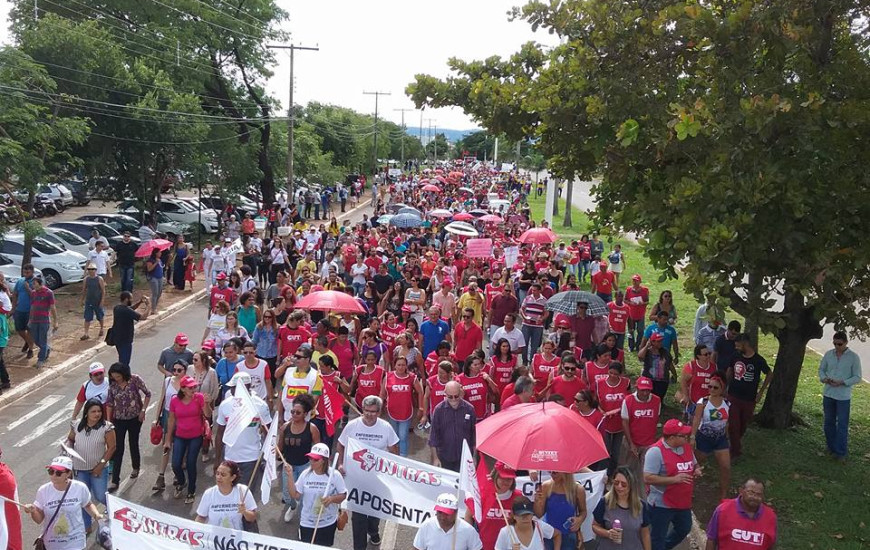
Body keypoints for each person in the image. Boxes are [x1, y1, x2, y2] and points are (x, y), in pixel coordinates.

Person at [336, 396, 398, 550]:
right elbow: (341, 445)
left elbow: (394, 450)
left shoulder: (386, 428)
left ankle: (373, 530)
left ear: (379, 412)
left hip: (377, 479)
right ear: (362, 410)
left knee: (374, 512)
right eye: (366, 411)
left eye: (373, 412)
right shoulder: (351, 426)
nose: (369, 415)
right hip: (356, 480)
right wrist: (341, 464)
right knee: (358, 516)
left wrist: (393, 469)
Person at [23, 456, 105, 550]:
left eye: (58, 473)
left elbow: (88, 504)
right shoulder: (43, 491)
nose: (53, 475)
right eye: (51, 471)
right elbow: (39, 520)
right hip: (52, 544)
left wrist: (96, 514)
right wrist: (33, 511)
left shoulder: (80, 488)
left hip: (75, 542)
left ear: (68, 473)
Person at [643, 419, 702, 550]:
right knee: (657, 536)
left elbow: (694, 463)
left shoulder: (686, 447)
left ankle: (664, 547)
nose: (686, 438)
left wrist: (696, 469)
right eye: (683, 435)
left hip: (682, 502)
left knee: (684, 528)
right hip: (661, 504)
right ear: (672, 437)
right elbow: (647, 478)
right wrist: (674, 479)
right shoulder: (655, 452)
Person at [213, 372, 272, 490]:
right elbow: (219, 434)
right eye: (231, 387)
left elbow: (269, 433)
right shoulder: (225, 405)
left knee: (246, 494)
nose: (232, 390)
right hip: (230, 458)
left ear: (247, 386)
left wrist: (267, 458)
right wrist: (217, 459)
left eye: (235, 387)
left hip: (252, 458)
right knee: (228, 492)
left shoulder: (260, 405)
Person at [65, 398, 115, 534]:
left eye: (99, 411)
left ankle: (116, 514)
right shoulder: (76, 426)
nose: (97, 414)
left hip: (98, 469)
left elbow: (111, 448)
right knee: (83, 499)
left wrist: (101, 465)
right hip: (80, 470)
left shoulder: (107, 427)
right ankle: (87, 526)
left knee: (100, 496)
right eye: (93, 411)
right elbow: (70, 439)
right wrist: (67, 448)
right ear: (86, 412)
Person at [284, 443, 348, 546]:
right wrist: (290, 476)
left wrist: (331, 499)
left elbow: (343, 495)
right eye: (310, 458)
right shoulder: (305, 474)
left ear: (324, 460)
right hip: (307, 523)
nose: (312, 461)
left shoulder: (335, 475)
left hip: (327, 522)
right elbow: (295, 495)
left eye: (315, 459)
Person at [105, 362, 151, 490]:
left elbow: (148, 394)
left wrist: (143, 411)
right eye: (114, 376)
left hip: (135, 418)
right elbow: (109, 403)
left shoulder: (135, 380)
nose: (116, 379)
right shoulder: (112, 385)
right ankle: (115, 480)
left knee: (133, 442)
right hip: (119, 420)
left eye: (118, 376)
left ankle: (136, 467)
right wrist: (109, 421)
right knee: (118, 448)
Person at [818, 331, 863, 462]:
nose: (837, 346)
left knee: (842, 424)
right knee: (828, 422)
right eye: (835, 344)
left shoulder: (853, 357)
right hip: (828, 393)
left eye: (840, 344)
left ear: (846, 343)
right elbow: (821, 369)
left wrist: (843, 382)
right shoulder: (828, 354)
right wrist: (824, 378)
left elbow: (857, 377)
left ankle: (841, 452)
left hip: (843, 396)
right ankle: (831, 447)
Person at [166, 375, 211, 504]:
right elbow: (171, 420)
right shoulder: (175, 400)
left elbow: (207, 414)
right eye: (190, 387)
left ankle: (191, 491)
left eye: (194, 387)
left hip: (195, 436)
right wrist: (168, 439)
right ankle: (181, 482)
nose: (194, 389)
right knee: (175, 464)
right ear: (183, 389)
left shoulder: (199, 398)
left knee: (191, 463)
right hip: (180, 435)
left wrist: (207, 403)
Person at [725, 334, 770, 460]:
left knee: (743, 425)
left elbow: (769, 373)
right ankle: (735, 452)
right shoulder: (735, 356)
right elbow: (729, 371)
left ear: (745, 343)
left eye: (738, 345)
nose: (736, 347)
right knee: (734, 425)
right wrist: (724, 387)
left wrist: (761, 392)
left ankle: (735, 445)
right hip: (733, 395)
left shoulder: (758, 360)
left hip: (749, 399)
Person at [279, 393, 321, 522]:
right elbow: (279, 447)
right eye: (292, 411)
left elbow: (318, 448)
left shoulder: (312, 429)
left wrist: (318, 466)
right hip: (288, 466)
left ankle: (304, 519)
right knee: (287, 495)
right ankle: (292, 507)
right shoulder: (285, 427)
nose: (294, 414)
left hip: (305, 466)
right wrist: (272, 452)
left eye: (298, 412)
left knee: (304, 496)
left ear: (305, 414)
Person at [690, 373, 731, 501]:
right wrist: (692, 436)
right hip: (704, 437)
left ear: (722, 389)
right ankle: (689, 488)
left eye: (715, 388)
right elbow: (696, 419)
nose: (712, 389)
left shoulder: (727, 403)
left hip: (720, 439)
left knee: (725, 467)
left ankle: (723, 495)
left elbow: (727, 422)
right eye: (710, 387)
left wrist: (727, 436)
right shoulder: (703, 402)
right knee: (697, 464)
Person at [705, 479, 777, 550]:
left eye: (759, 494)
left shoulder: (770, 517)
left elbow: (771, 545)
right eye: (751, 493)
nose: (755, 497)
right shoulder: (723, 510)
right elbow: (711, 539)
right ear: (741, 491)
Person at [592, 466, 652, 550]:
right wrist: (608, 533)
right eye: (616, 483)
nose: (619, 486)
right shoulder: (605, 502)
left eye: (624, 484)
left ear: (631, 485)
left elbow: (645, 534)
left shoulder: (641, 505)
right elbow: (595, 526)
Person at [467, 461, 522, 550]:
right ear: (495, 476)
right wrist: (469, 539)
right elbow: (468, 516)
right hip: (482, 546)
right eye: (502, 477)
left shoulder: (519, 497)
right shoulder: (481, 494)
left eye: (509, 478)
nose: (505, 481)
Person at [428, 380, 476, 471]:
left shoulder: (469, 409)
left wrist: (474, 457)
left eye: (456, 396)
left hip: (465, 456)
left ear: (461, 392)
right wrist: (435, 458)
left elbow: (474, 435)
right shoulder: (439, 410)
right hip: (445, 456)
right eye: (450, 396)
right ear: (445, 394)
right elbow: (433, 436)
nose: (453, 399)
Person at [195, 460, 258, 529]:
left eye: (223, 475)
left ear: (233, 477)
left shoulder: (243, 490)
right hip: (213, 538)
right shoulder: (209, 493)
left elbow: (253, 517)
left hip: (236, 538)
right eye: (217, 473)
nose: (219, 477)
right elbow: (201, 517)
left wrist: (245, 512)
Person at [533, 471, 587, 550]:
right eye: (550, 472)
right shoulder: (546, 486)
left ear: (565, 472)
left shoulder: (578, 489)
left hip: (568, 534)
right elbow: (539, 514)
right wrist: (537, 502)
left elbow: (583, 511)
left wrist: (579, 520)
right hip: (549, 533)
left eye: (555, 472)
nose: (552, 475)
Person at [382, 356, 424, 457]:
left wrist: (421, 408)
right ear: (394, 366)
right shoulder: (388, 377)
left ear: (406, 366)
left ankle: (403, 457)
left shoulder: (412, 377)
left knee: (403, 436)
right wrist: (379, 408)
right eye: (399, 365)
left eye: (403, 365)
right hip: (391, 411)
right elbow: (382, 394)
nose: (401, 367)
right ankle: (394, 456)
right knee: (393, 436)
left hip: (406, 412)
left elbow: (420, 392)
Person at [621, 377, 661, 481]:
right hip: (632, 441)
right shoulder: (628, 400)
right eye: (642, 390)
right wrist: (631, 444)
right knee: (628, 470)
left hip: (649, 443)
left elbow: (656, 418)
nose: (645, 393)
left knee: (647, 471)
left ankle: (644, 492)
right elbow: (625, 422)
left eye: (647, 390)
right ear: (636, 388)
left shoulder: (657, 400)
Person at [414, 493, 483, 550]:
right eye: (440, 512)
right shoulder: (427, 526)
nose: (443, 517)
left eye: (447, 514)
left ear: (456, 512)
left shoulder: (468, 530)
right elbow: (418, 548)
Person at [596, 362, 630, 477]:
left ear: (620, 374)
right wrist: (601, 411)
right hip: (605, 422)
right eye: (610, 373)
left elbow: (629, 401)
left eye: (616, 374)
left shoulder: (626, 383)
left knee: (616, 453)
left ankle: (613, 474)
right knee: (605, 451)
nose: (612, 376)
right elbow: (595, 401)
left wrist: (617, 411)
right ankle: (602, 475)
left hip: (619, 423)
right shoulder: (600, 383)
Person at [496, 496, 560, 550]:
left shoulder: (540, 526)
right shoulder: (505, 532)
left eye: (528, 514)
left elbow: (557, 534)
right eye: (521, 515)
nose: (525, 518)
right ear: (514, 516)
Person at [678, 344, 717, 420]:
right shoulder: (691, 366)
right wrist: (685, 395)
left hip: (709, 404)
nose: (708, 356)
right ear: (698, 356)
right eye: (705, 354)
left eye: (709, 353)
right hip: (694, 403)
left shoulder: (714, 367)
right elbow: (683, 381)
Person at [111, 291, 150, 366]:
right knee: (124, 362)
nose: (132, 300)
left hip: (117, 339)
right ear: (126, 299)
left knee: (122, 359)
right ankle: (123, 375)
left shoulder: (117, 308)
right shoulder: (126, 310)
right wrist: (148, 305)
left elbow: (131, 309)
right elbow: (143, 317)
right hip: (125, 340)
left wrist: (139, 302)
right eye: (131, 298)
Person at [28, 274, 57, 369]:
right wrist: (30, 319)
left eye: (35, 283)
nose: (33, 285)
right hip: (34, 320)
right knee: (36, 339)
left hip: (44, 320)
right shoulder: (33, 293)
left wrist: (55, 321)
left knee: (43, 339)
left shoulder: (49, 293)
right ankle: (46, 349)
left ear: (40, 284)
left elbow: (53, 307)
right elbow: (32, 306)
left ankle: (41, 359)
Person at [637, 332, 675, 403]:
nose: (660, 343)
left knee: (659, 399)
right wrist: (646, 346)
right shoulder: (647, 352)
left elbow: (670, 364)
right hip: (650, 379)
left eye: (661, 341)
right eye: (658, 341)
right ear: (652, 342)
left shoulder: (665, 352)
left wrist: (674, 375)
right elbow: (640, 356)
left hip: (662, 380)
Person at [11, 263, 36, 360]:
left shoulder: (36, 282)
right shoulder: (20, 281)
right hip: (20, 309)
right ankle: (28, 341)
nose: (26, 274)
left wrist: (28, 289)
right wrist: (13, 307)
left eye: (28, 272)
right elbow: (15, 294)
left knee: (29, 330)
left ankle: (30, 349)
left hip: (31, 310)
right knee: (19, 329)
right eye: (24, 272)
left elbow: (36, 296)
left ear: (32, 272)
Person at [521, 283, 549, 364]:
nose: (533, 292)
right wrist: (525, 317)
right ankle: (524, 361)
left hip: (537, 326)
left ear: (540, 290)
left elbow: (546, 313)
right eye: (532, 290)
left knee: (535, 345)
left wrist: (542, 319)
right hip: (526, 324)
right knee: (524, 344)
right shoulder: (527, 298)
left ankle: (532, 362)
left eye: (535, 290)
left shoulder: (544, 300)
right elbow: (522, 309)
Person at [80, 264, 106, 341]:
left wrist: (102, 301)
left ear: (95, 270)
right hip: (89, 301)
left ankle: (101, 328)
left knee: (100, 316)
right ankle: (86, 333)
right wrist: (82, 300)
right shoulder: (86, 279)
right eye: (89, 269)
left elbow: (103, 291)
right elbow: (84, 290)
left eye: (92, 269)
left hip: (97, 301)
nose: (91, 271)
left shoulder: (99, 279)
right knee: (87, 317)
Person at [625, 275, 649, 352]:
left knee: (640, 330)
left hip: (641, 314)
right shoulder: (629, 290)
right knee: (631, 331)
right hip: (631, 314)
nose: (635, 282)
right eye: (634, 280)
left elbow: (647, 301)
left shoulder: (645, 290)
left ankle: (638, 345)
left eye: (636, 280)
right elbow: (625, 300)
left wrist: (641, 303)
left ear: (640, 281)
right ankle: (631, 346)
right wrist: (631, 302)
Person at [144, 248, 164, 314]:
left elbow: (161, 268)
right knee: (155, 293)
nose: (161, 253)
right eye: (159, 252)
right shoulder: (150, 260)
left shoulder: (160, 259)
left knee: (159, 292)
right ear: (156, 253)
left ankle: (154, 305)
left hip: (160, 277)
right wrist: (156, 263)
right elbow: (149, 269)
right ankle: (153, 309)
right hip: (153, 277)